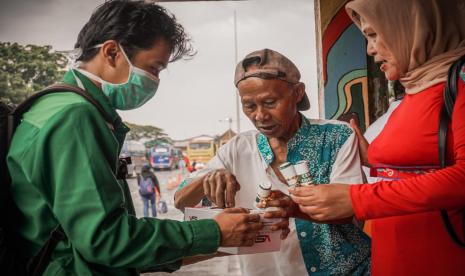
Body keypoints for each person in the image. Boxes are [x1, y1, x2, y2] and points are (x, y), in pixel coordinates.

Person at [6, 1, 263, 274]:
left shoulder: (51, 106)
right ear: (112, 52)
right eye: (154, 68)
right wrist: (213, 231)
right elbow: (107, 240)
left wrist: (222, 240)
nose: (155, 81)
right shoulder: (75, 117)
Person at [288, 0, 465, 275]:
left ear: (412, 27)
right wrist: (371, 157)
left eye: (373, 34)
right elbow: (423, 163)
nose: (370, 48)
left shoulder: (460, 83)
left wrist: (357, 199)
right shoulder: (413, 92)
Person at [175, 49, 371, 276]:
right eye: (249, 106)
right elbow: (181, 201)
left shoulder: (336, 136)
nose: (260, 116)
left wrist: (294, 208)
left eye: (270, 102)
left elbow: (352, 209)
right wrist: (206, 180)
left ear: (297, 93)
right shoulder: (237, 149)